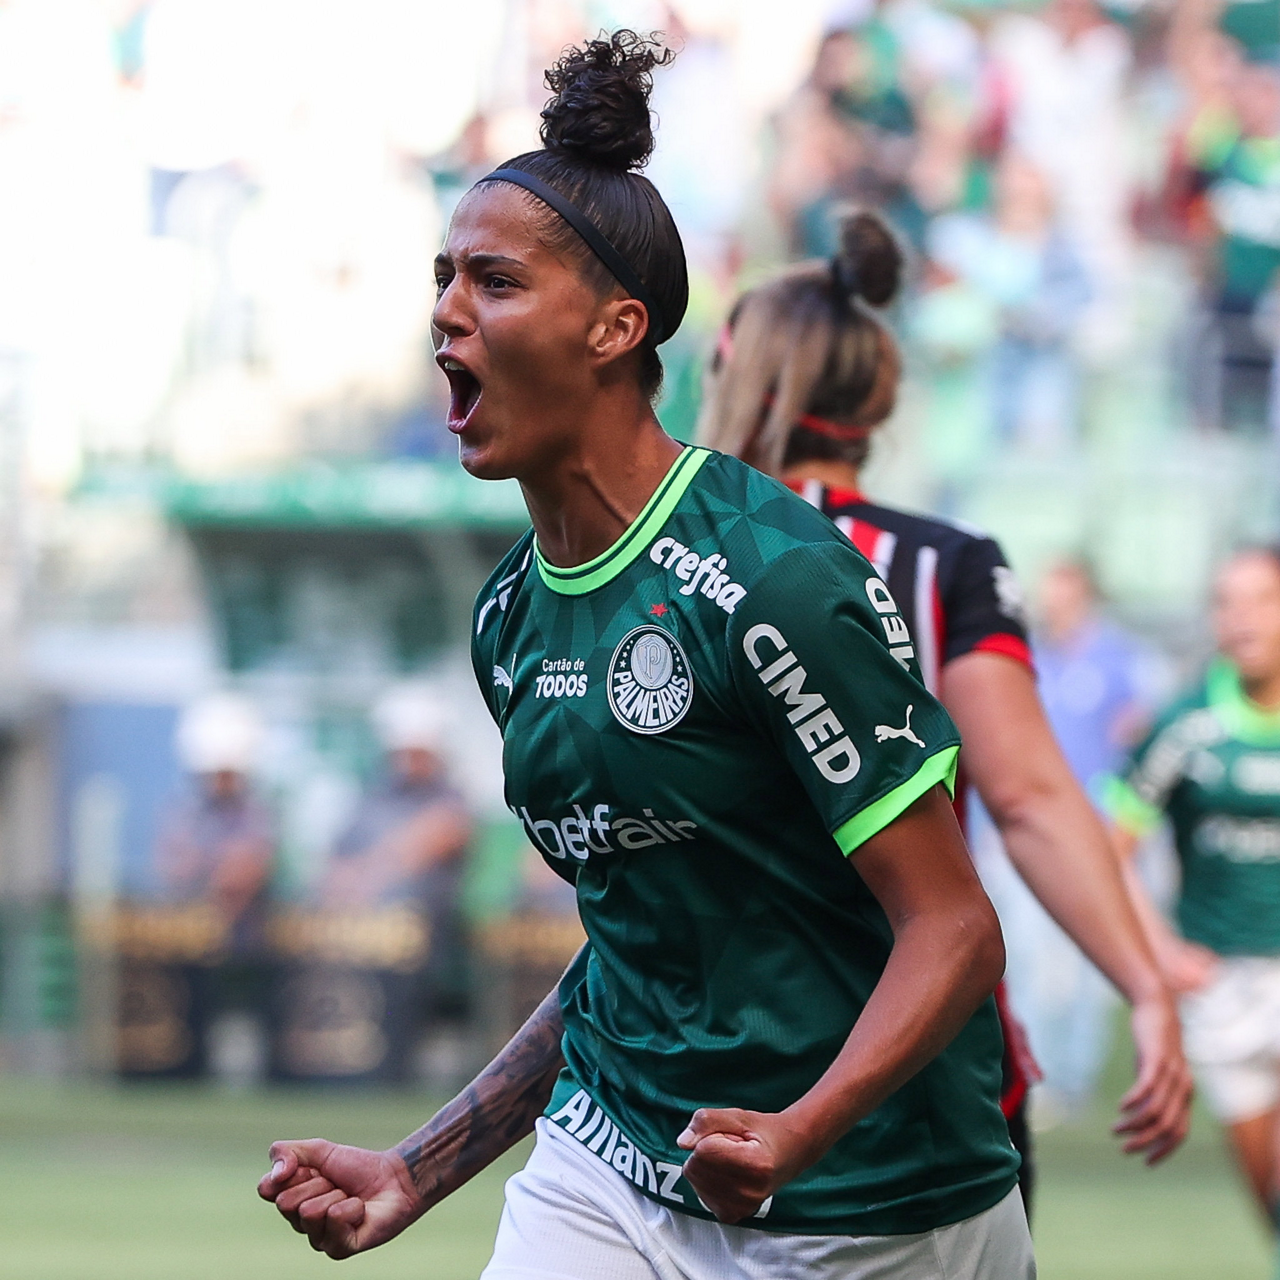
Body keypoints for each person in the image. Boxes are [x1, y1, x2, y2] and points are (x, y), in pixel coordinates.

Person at [261, 33, 1036, 1276]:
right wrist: (419, 1163)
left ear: (616, 327)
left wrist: (797, 1131)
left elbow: (951, 927)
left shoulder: (771, 579)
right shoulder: (508, 616)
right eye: (445, 277)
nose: (447, 310)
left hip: (867, 1199)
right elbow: (632, 939)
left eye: (495, 281)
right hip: (610, 1154)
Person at [696, 208, 1192, 1215]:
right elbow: (1029, 797)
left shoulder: (678, 567)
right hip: (930, 1076)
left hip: (708, 1061)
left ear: (740, 383)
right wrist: (1143, 986)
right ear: (874, 400)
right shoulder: (940, 564)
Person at [1108, 548, 1280, 1243]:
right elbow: (1111, 850)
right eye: (1225, 602)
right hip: (1221, 986)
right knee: (1270, 1200)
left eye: (1260, 600)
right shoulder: (1183, 722)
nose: (1240, 618)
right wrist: (1162, 949)